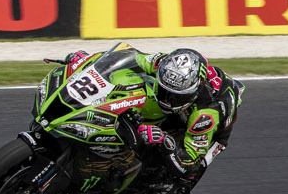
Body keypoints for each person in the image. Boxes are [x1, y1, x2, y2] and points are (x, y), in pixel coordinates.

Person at [88, 46, 245, 180]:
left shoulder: (204, 116)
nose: (167, 100)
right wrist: (89, 62)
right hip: (188, 92)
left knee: (189, 171)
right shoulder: (165, 65)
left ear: (192, 93)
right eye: (164, 91)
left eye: (175, 97)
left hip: (216, 123)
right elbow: (131, 58)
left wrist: (166, 142)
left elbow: (190, 164)